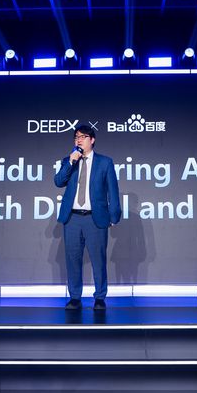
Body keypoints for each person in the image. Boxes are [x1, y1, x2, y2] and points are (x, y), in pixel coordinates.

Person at [54, 125, 121, 310]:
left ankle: (99, 297)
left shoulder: (105, 162)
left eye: (83, 137)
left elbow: (113, 191)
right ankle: (75, 297)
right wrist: (71, 162)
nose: (79, 140)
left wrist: (114, 216)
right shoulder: (69, 160)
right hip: (72, 218)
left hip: (95, 218)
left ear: (92, 140)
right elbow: (58, 181)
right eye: (76, 137)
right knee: (73, 259)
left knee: (98, 260)